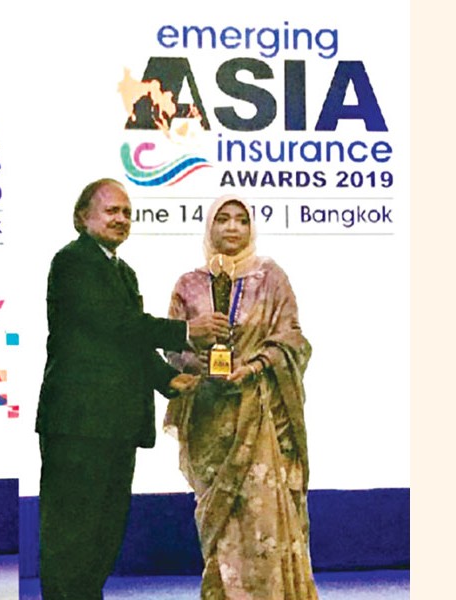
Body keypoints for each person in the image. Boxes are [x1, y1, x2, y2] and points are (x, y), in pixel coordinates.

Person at [35, 178, 227, 600]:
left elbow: (130, 342)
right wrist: (185, 331)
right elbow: (113, 324)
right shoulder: (72, 261)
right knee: (71, 533)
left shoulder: (123, 271)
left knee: (104, 532)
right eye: (111, 211)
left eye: (127, 212)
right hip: (78, 423)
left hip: (116, 422)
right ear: (82, 217)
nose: (121, 219)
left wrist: (166, 379)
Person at [164, 193, 318, 599]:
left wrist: (253, 366)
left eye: (241, 219)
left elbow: (292, 339)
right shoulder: (188, 284)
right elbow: (172, 346)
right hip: (208, 417)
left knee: (264, 518)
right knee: (221, 523)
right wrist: (199, 364)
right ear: (209, 227)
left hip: (260, 416)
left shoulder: (271, 278)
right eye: (223, 219)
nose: (232, 227)